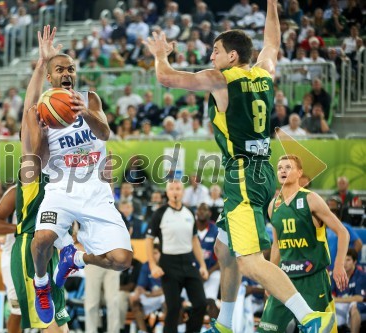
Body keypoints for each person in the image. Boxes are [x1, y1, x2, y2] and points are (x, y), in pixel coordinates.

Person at [145, 0, 339, 330]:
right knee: (224, 249)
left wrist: (160, 53)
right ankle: (224, 323)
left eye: (216, 51)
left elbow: (164, 77)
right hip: (263, 171)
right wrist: (272, 6)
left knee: (249, 262)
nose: (211, 57)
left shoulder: (220, 79)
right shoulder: (263, 71)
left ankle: (310, 317)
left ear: (232, 56)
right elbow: (272, 43)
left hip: (243, 175)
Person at [27, 26, 133, 324]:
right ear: (50, 76)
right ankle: (41, 283)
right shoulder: (43, 109)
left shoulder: (90, 98)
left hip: (96, 191)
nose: (67, 73)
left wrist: (84, 111)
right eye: (60, 69)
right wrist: (40, 127)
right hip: (61, 189)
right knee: (42, 240)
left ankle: (74, 258)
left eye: (71, 68)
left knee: (122, 261)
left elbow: (105, 132)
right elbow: (37, 161)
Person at [0, 87, 70, 332]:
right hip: (24, 252)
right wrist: (20, 227)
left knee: (57, 324)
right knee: (22, 316)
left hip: (50, 255)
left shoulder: (59, 180)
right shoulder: (22, 185)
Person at [258, 155, 349, 332]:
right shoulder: (273, 206)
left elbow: (342, 232)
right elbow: (277, 245)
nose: (283, 170)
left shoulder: (311, 199)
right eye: (279, 168)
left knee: (321, 329)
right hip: (285, 278)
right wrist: (270, 279)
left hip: (313, 277)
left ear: (300, 173)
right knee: (267, 329)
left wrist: (339, 265)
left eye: (288, 167)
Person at [146, 180, 208, 333]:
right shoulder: (159, 214)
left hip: (188, 262)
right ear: (167, 193)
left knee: (201, 303)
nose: (175, 192)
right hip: (169, 263)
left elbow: (194, 240)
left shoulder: (189, 213)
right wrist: (153, 265)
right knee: (173, 308)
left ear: (183, 192)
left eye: (178, 189)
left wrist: (203, 265)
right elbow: (148, 241)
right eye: (172, 189)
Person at [130, 244, 166, 333]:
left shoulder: (167, 265)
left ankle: (165, 328)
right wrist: (137, 292)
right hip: (150, 295)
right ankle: (143, 330)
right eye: (152, 253)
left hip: (162, 296)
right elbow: (140, 285)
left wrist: (151, 294)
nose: (153, 256)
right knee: (134, 300)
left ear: (161, 254)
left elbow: (168, 288)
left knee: (168, 300)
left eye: (156, 253)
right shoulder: (146, 265)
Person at [332, 249, 366, 333]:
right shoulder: (335, 275)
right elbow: (331, 296)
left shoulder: (361, 275)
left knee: (354, 306)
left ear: (354, 261)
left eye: (348, 260)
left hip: (360, 306)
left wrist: (337, 300)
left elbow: (360, 298)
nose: (345, 263)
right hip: (341, 306)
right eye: (343, 259)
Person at [196, 203, 220, 301]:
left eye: (204, 210)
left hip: (211, 271)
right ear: (196, 212)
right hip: (193, 272)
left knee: (210, 300)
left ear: (209, 213)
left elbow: (223, 258)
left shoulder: (216, 231)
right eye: (199, 209)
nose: (201, 212)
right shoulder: (190, 228)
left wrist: (209, 272)